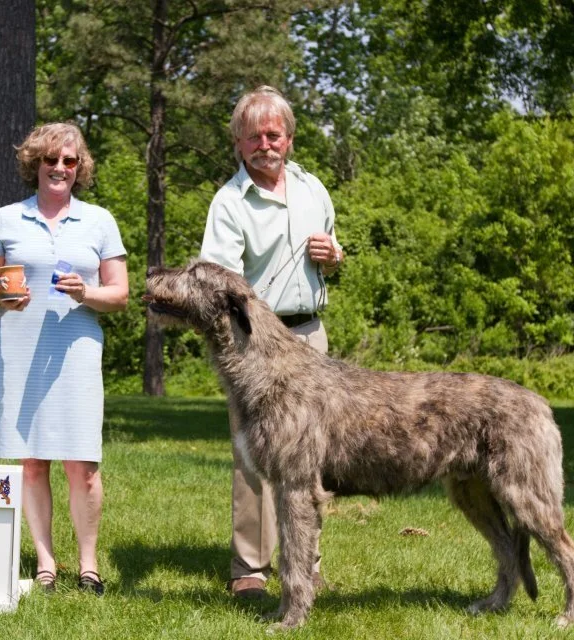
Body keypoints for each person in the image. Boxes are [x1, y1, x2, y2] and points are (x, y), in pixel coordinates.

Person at [200, 86, 343, 599]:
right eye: (254, 135)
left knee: (309, 456)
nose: (266, 143)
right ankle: (250, 569)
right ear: (239, 143)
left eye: (274, 134)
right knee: (255, 454)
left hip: (310, 335)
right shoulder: (229, 202)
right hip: (256, 345)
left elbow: (331, 267)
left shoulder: (313, 189)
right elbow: (218, 283)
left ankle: (304, 565)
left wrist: (333, 257)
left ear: (289, 137)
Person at [0, 122, 128, 596]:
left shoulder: (99, 220)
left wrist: (87, 293)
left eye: (69, 161)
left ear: (79, 169)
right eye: (51, 159)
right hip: (19, 349)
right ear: (34, 163)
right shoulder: (5, 219)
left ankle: (88, 565)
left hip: (77, 351)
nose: (60, 168)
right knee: (32, 461)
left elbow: (120, 294)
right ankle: (45, 561)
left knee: (82, 463)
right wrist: (0, 297)